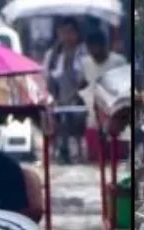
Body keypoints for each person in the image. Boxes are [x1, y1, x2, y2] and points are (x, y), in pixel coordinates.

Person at [45, 18, 87, 164]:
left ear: (77, 33)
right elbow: (48, 78)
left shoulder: (84, 53)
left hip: (80, 98)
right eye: (63, 32)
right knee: (57, 120)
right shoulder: (53, 55)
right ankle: (60, 152)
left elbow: (86, 78)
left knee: (76, 122)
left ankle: (79, 154)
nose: (67, 36)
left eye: (70, 32)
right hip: (58, 98)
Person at [81, 30, 128, 162]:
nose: (94, 51)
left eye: (97, 46)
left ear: (104, 45)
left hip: (116, 115)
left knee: (117, 159)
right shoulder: (85, 63)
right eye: (91, 47)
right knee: (96, 160)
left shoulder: (118, 61)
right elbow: (83, 84)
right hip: (94, 117)